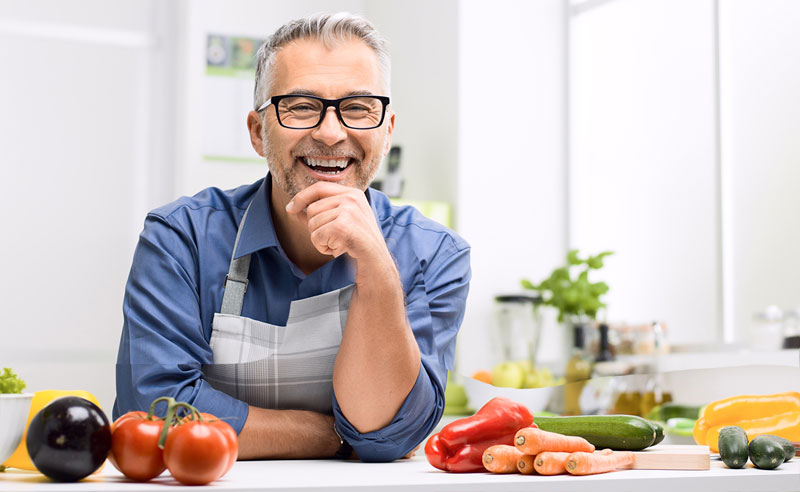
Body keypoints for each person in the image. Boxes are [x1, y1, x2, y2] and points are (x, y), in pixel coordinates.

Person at [113, 12, 471, 463]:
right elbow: (152, 410)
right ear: (258, 132)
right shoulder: (182, 239)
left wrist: (377, 268)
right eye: (301, 106)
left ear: (387, 131)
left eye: (359, 108)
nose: (330, 132)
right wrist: (322, 435)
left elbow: (387, 435)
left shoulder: (434, 254)